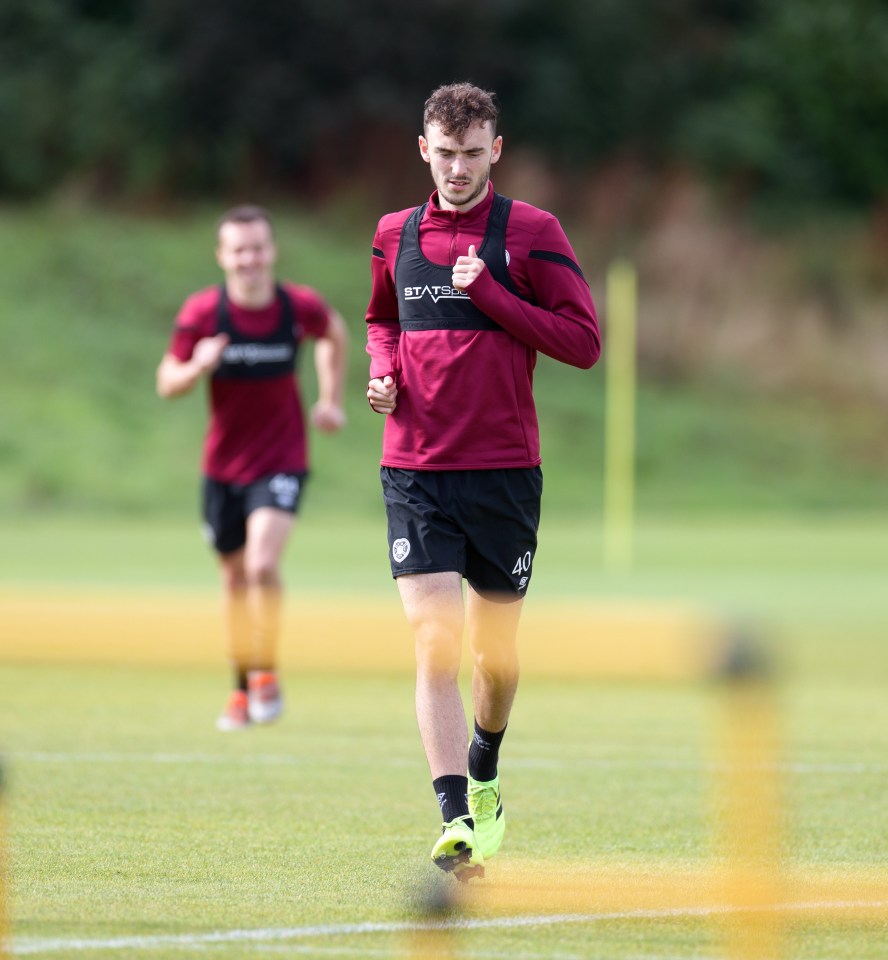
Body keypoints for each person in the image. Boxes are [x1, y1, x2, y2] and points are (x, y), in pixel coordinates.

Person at [365, 83, 601, 879]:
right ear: (422, 148)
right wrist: (381, 374)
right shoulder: (394, 233)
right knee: (435, 641)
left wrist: (491, 295)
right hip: (416, 470)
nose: (457, 168)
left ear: (495, 151)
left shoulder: (532, 232)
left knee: (493, 666)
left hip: (503, 476)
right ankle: (454, 817)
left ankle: (487, 768)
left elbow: (582, 342)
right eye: (444, 152)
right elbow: (382, 320)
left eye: (472, 153)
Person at [157, 205, 347, 731]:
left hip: (282, 458)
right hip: (222, 468)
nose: (249, 259)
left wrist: (330, 398)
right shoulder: (204, 315)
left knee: (262, 564)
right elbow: (166, 381)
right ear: (222, 256)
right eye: (238, 250)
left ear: (272, 250)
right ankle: (241, 685)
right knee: (235, 581)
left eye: (258, 247)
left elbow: (333, 331)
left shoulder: (295, 307)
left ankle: (266, 672)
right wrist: (197, 366)